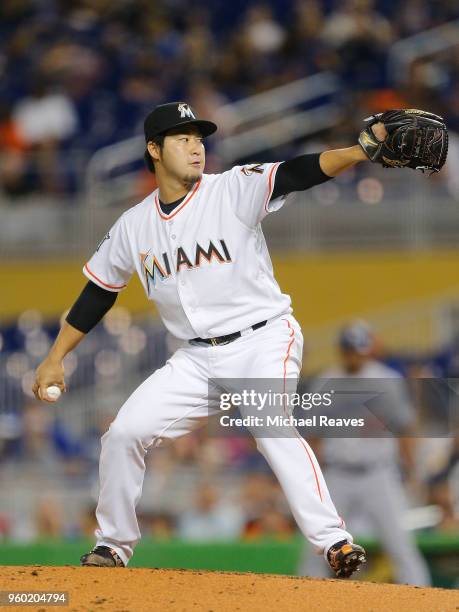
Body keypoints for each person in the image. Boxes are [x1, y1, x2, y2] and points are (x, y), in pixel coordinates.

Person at [33, 101, 385, 576]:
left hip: (263, 339)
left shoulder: (230, 189)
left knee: (270, 423)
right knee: (122, 434)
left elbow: (298, 173)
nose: (196, 146)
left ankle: (335, 542)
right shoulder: (134, 225)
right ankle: (112, 546)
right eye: (182, 138)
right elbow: (97, 293)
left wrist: (358, 151)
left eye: (199, 137)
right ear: (154, 150)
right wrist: (56, 357)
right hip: (196, 359)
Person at [299, 320, 431, 585]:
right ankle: (304, 594)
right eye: (349, 349)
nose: (353, 354)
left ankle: (423, 597)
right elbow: (312, 433)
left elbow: (404, 428)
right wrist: (309, 477)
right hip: (338, 474)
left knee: (400, 543)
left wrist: (414, 470)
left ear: (368, 349)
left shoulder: (386, 380)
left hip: (378, 474)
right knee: (318, 543)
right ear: (341, 350)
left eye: (358, 349)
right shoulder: (327, 380)